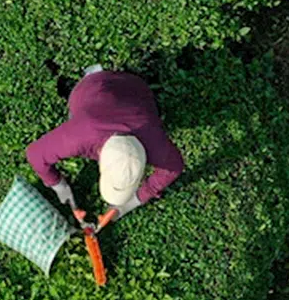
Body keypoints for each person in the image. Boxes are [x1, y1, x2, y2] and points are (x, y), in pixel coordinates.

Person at [26, 63, 184, 231]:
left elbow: (175, 168)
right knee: (76, 110)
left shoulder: (155, 141)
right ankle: (93, 74)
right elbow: (35, 154)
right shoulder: (82, 134)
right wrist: (59, 186)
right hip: (93, 86)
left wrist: (127, 205)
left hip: (135, 87)